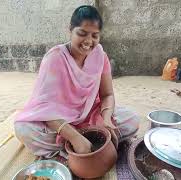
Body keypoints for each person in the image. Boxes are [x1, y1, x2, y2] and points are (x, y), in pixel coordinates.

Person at [14, 5, 140, 158]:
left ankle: (84, 140)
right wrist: (74, 136)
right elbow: (45, 108)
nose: (88, 41)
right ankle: (78, 141)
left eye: (95, 36)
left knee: (132, 120)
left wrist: (106, 119)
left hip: (91, 116)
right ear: (70, 30)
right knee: (23, 129)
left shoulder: (100, 55)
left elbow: (107, 95)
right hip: (59, 120)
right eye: (82, 33)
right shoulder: (55, 58)